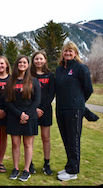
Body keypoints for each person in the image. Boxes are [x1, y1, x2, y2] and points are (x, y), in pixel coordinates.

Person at [55, 41, 93, 181]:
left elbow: (88, 89)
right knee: (66, 140)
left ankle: (73, 171)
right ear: (62, 53)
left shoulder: (81, 68)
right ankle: (69, 165)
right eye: (66, 51)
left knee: (73, 141)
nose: (68, 53)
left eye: (71, 51)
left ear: (75, 53)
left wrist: (78, 102)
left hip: (74, 110)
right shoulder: (59, 69)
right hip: (60, 110)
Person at [5, 55, 41, 182]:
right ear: (16, 64)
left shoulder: (34, 81)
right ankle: (15, 169)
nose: (22, 64)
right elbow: (8, 101)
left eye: (24, 62)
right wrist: (19, 114)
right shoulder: (11, 81)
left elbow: (37, 100)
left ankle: (26, 169)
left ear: (28, 64)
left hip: (30, 117)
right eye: (19, 62)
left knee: (27, 143)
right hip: (14, 116)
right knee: (15, 144)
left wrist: (27, 115)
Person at [30, 51, 55, 176]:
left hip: (45, 110)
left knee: (46, 138)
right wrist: (34, 109)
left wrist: (42, 109)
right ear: (33, 60)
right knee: (30, 138)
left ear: (45, 60)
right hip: (31, 110)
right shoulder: (29, 75)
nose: (38, 61)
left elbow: (51, 94)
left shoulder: (50, 75)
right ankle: (29, 163)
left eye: (41, 59)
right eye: (36, 59)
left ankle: (46, 163)